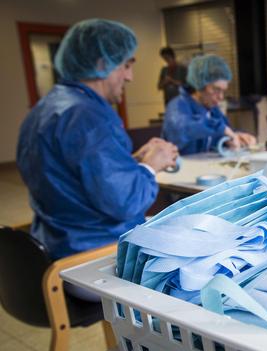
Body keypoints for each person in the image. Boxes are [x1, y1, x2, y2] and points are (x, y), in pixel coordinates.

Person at [16, 19, 179, 261]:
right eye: (126, 65)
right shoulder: (90, 117)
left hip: (54, 245)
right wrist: (150, 166)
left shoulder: (46, 108)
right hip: (94, 253)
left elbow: (71, 175)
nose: (130, 77)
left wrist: (131, 160)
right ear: (102, 63)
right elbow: (127, 202)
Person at [162, 55, 256, 155]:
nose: (220, 97)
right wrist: (220, 129)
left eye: (223, 91)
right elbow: (183, 130)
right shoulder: (177, 106)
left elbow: (226, 130)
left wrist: (238, 136)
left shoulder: (213, 110)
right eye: (216, 89)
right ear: (199, 85)